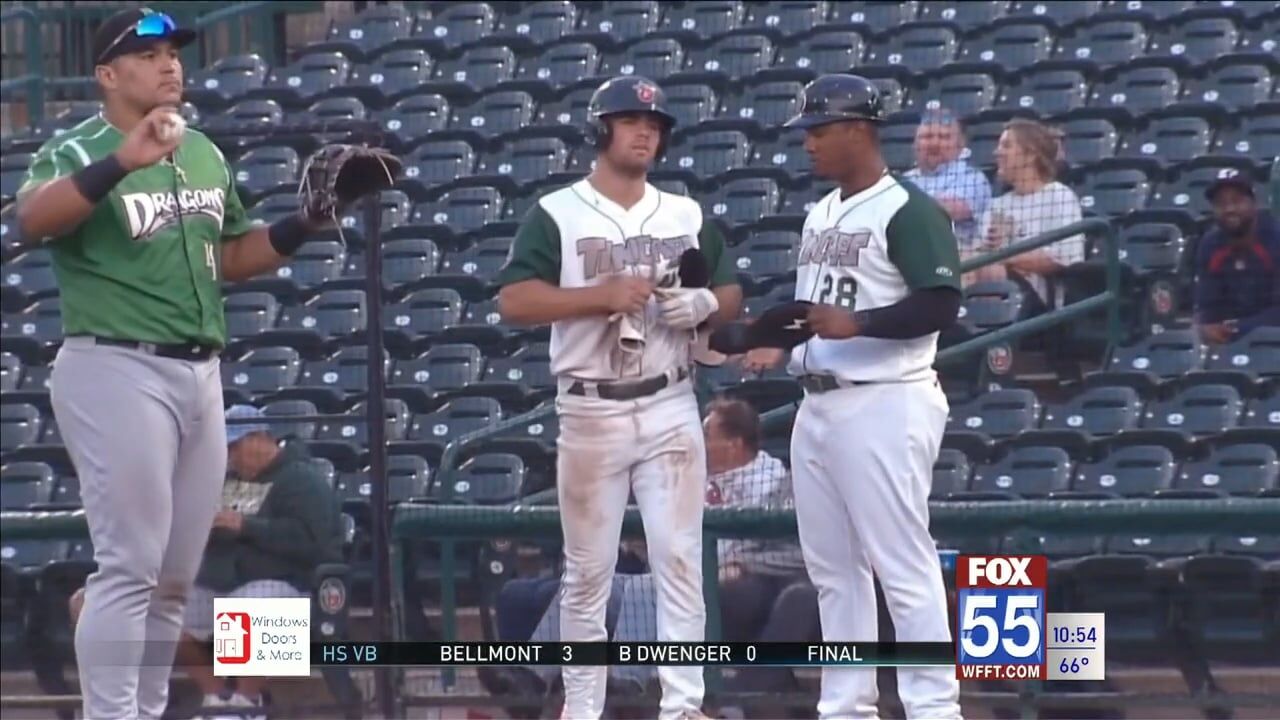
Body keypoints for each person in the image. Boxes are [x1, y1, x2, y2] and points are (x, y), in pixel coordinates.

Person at [14, 10, 332, 719]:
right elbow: (32, 220)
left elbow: (233, 259)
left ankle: (149, 710)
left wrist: (304, 222)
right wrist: (124, 161)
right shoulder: (80, 147)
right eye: (149, 54)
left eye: (174, 55)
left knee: (171, 580)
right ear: (107, 75)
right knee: (128, 566)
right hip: (114, 365)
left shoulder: (205, 154)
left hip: (199, 371)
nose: (170, 66)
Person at [496, 74, 743, 720]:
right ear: (601, 127)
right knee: (586, 573)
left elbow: (732, 288)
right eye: (633, 120)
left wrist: (708, 302)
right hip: (590, 406)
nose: (645, 133)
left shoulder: (684, 213)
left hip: (669, 399)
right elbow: (515, 299)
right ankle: (583, 708)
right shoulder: (558, 210)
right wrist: (597, 297)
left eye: (655, 125)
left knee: (680, 558)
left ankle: (683, 706)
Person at [743, 74, 963, 719]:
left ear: (858, 131)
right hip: (819, 401)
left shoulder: (908, 209)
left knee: (902, 562)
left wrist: (862, 325)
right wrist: (768, 340)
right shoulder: (822, 211)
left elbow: (942, 302)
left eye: (818, 129)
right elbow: (818, 310)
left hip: (885, 398)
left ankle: (933, 708)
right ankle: (846, 705)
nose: (807, 143)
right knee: (833, 570)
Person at [175, 406, 342, 719]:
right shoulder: (227, 480)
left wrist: (246, 527)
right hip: (222, 582)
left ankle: (248, 702)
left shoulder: (301, 480)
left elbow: (315, 544)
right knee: (165, 611)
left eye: (235, 447)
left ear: (261, 439)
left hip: (291, 584)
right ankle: (218, 700)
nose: (231, 456)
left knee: (248, 607)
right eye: (227, 449)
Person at [971, 118, 1084, 310]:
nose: (997, 152)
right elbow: (976, 254)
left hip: (1039, 299)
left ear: (1030, 154)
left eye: (1006, 146)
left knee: (991, 267)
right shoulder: (998, 204)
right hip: (993, 290)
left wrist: (1003, 256)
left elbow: (1066, 258)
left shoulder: (1060, 195)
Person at [1193, 175, 1280, 345]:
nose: (1229, 209)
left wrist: (1238, 328)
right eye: (1221, 203)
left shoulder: (1275, 238)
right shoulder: (1210, 244)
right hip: (1229, 340)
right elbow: (1207, 306)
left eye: (1237, 201)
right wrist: (1206, 328)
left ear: (1253, 203)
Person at [903, 108, 992, 249]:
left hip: (955, 256)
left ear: (960, 144)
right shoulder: (904, 180)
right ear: (915, 144)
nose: (934, 143)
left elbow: (947, 211)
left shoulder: (972, 177)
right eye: (927, 137)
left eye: (944, 137)